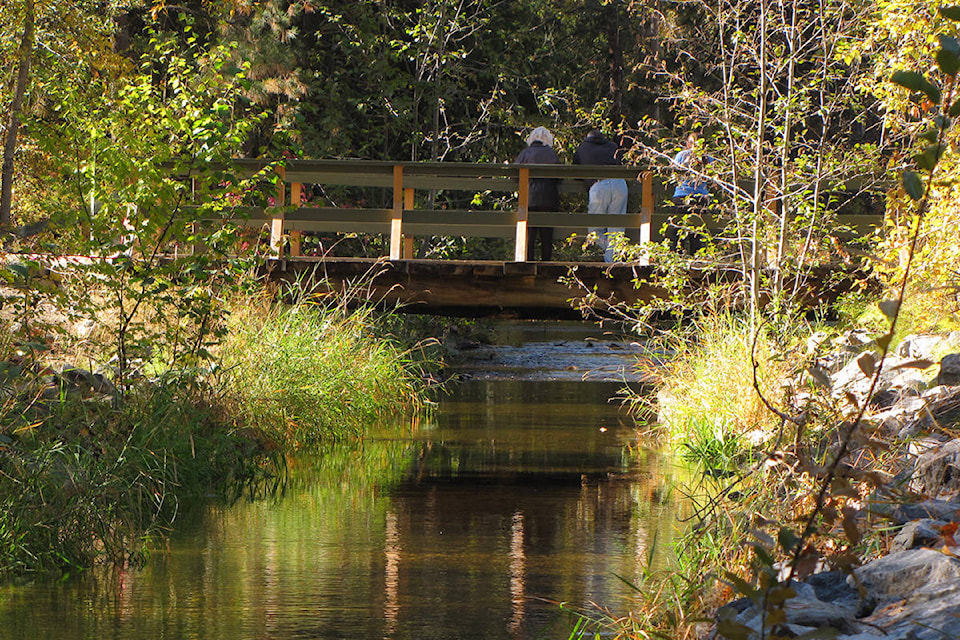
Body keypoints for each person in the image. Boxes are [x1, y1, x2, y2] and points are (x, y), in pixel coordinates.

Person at [573, 129, 628, 263]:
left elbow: (575, 173)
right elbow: (623, 163)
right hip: (619, 183)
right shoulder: (612, 146)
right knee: (616, 229)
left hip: (598, 185)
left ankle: (611, 262)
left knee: (595, 230)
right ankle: (613, 262)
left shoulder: (582, 148)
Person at [514, 126, 561, 261]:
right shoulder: (551, 154)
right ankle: (546, 262)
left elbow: (514, 174)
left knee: (529, 232)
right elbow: (559, 177)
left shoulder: (525, 153)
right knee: (547, 233)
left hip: (529, 196)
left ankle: (528, 261)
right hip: (549, 197)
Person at [669, 131, 712, 254]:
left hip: (681, 196)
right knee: (697, 235)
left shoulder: (681, 155)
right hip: (701, 198)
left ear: (688, 144)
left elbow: (673, 174)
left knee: (677, 232)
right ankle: (696, 259)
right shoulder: (708, 158)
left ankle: (677, 259)